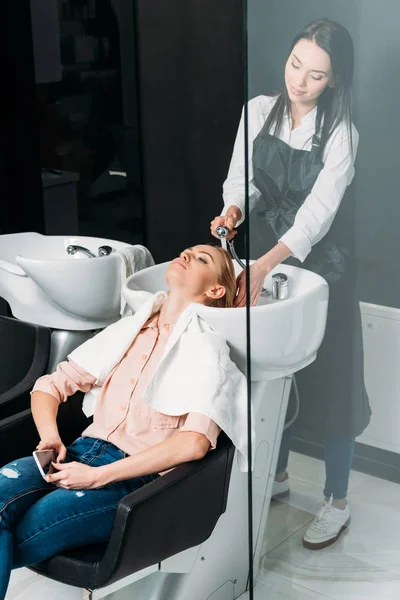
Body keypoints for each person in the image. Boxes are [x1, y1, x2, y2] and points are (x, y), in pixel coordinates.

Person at [0, 244, 246, 599]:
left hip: (132, 478)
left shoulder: (208, 352)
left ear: (215, 290)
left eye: (202, 259)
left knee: (29, 526)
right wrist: (51, 437)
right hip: (77, 452)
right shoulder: (129, 331)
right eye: (188, 251)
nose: (187, 255)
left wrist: (99, 475)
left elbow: (193, 443)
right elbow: (48, 387)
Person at [211, 18, 371, 550]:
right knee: (271, 367)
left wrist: (266, 263)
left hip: (324, 267)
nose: (299, 81)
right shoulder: (257, 111)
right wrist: (232, 212)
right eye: (296, 65)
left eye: (316, 75)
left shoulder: (342, 133)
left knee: (334, 380)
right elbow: (244, 182)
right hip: (267, 257)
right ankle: (275, 479)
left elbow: (316, 218)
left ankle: (337, 502)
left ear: (335, 81)